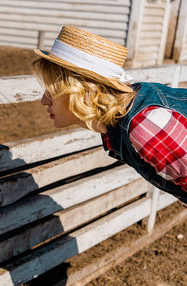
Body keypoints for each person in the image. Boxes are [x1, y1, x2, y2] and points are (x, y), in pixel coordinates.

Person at [32, 25, 187, 207]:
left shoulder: (145, 126)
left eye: (52, 91)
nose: (43, 101)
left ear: (80, 92)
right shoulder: (122, 123)